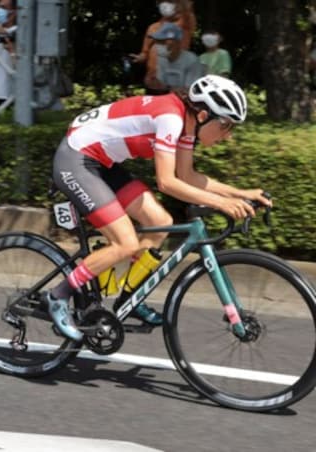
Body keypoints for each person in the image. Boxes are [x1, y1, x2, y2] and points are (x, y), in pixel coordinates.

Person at [46, 75, 271, 341]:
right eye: (225, 124)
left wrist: (240, 194)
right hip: (76, 160)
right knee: (125, 243)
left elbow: (187, 176)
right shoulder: (171, 118)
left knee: (159, 221)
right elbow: (167, 182)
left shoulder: (188, 127)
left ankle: (129, 299)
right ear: (202, 115)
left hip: (101, 162)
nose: (228, 134)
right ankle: (58, 296)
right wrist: (222, 203)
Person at [129, 0, 196, 95]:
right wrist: (140, 57)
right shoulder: (153, 27)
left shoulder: (184, 25)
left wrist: (185, 6)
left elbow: (187, 13)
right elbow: (145, 52)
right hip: (153, 80)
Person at [146, 22, 203, 93]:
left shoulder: (191, 60)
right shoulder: (162, 59)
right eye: (157, 43)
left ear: (175, 42)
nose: (156, 47)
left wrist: (166, 89)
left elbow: (190, 91)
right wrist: (152, 83)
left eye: (161, 42)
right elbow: (161, 86)